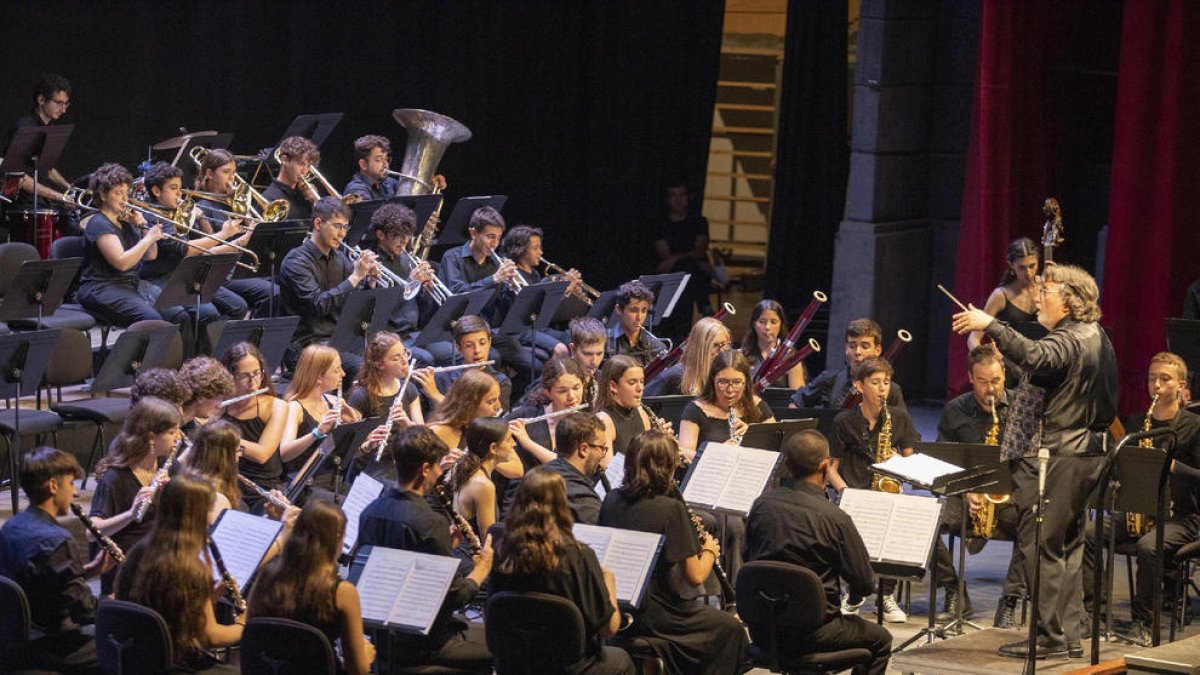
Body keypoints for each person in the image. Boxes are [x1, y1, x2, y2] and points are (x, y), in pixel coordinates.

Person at [952, 263, 1118, 659]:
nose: (1039, 297)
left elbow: (1039, 355)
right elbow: (1045, 372)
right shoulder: (1095, 335)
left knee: (1041, 545)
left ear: (1069, 302)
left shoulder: (1072, 338)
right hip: (1082, 452)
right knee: (1067, 547)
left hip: (1059, 454)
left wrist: (990, 323)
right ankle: (1067, 636)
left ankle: (1049, 638)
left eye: (1047, 291)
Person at [744, 430, 893, 675]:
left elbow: (748, 560)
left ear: (788, 465)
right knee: (881, 640)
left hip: (763, 629)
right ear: (825, 467)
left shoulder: (762, 506)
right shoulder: (835, 519)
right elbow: (864, 583)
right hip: (815, 633)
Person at [599, 430, 748, 674]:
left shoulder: (612, 499)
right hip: (657, 612)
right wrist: (710, 550)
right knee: (730, 629)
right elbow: (695, 576)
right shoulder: (670, 508)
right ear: (666, 467)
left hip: (619, 604)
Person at [354, 426, 495, 675]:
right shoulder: (429, 523)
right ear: (425, 469)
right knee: (498, 641)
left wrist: (445, 546)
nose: (441, 472)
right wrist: (482, 568)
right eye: (439, 466)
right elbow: (457, 597)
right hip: (424, 642)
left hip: (383, 637)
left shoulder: (370, 511)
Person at [1082, 352, 1200, 647]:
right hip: (1137, 509)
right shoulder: (1137, 424)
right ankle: (1094, 615)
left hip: (1181, 515)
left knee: (1149, 545)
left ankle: (1144, 623)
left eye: (1165, 379)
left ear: (1181, 384)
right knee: (1089, 534)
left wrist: (1174, 467)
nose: (1156, 385)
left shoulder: (1194, 426)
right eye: (1152, 378)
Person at [491, 466, 635, 675]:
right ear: (562, 505)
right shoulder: (579, 556)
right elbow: (609, 629)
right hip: (568, 667)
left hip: (514, 664)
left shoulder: (503, 551)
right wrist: (610, 586)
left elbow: (493, 611)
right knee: (621, 659)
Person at [113, 473, 243, 674]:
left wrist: (207, 598)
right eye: (210, 508)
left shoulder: (140, 551)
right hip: (172, 663)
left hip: (136, 656)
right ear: (198, 513)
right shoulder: (191, 565)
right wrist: (244, 623)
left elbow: (163, 607)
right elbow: (210, 637)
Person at [0, 447, 114, 673]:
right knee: (127, 641)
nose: (74, 493)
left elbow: (43, 583)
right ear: (53, 486)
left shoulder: (11, 526)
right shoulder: (58, 541)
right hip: (52, 644)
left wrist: (90, 570)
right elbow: (84, 611)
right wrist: (117, 601)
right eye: (71, 484)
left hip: (14, 636)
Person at [935, 346, 1022, 627]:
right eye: (983, 381)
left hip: (1009, 499)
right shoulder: (955, 410)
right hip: (967, 496)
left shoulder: (1022, 410)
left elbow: (1031, 465)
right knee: (927, 522)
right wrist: (966, 490)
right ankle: (954, 591)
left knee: (1035, 524)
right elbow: (941, 463)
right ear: (970, 378)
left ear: (1005, 374)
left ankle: (1009, 601)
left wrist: (1005, 494)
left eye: (995, 381)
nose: (990, 389)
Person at [828, 356, 919, 623]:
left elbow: (910, 458)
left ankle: (886, 596)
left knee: (900, 522)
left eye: (886, 383)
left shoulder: (899, 417)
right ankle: (855, 593)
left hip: (887, 491)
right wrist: (846, 494)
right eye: (875, 382)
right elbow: (831, 467)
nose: (882, 389)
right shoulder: (844, 421)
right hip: (854, 491)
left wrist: (897, 461)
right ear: (859, 386)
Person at [249, 498, 376, 675]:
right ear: (337, 538)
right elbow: (357, 669)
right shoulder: (343, 592)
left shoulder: (267, 575)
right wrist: (366, 655)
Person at [136, 161, 250, 341]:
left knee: (238, 306)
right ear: (157, 191)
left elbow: (206, 242)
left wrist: (202, 218)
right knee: (207, 313)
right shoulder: (154, 217)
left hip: (185, 274)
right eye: (173, 188)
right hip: (161, 278)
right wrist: (225, 233)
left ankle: (213, 353)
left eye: (180, 187)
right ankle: (194, 358)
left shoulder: (178, 212)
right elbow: (187, 250)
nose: (179, 193)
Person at [88, 396, 184, 594]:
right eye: (172, 432)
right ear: (151, 437)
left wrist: (172, 494)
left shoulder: (171, 467)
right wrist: (131, 514)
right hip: (129, 566)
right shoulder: (115, 478)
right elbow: (91, 533)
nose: (178, 438)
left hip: (161, 556)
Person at [279, 196, 376, 375]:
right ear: (317, 223)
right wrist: (355, 277)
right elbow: (319, 305)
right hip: (305, 345)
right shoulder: (296, 261)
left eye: (345, 227)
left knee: (380, 359)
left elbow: (354, 305)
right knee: (361, 368)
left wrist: (370, 282)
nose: (342, 234)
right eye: (337, 226)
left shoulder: (340, 259)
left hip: (336, 339)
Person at [75, 162, 168, 327]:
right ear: (103, 195)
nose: (125, 198)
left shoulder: (125, 222)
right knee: (153, 321)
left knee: (177, 313)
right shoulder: (98, 223)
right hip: (101, 288)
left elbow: (150, 255)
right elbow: (122, 263)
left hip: (127, 284)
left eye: (126, 193)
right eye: (118, 193)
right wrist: (148, 239)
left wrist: (144, 228)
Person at [191, 147, 279, 317]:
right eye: (226, 172)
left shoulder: (234, 201)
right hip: (223, 274)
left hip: (241, 269)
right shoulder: (202, 207)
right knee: (272, 293)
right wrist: (241, 242)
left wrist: (242, 205)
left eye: (234, 172)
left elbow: (255, 229)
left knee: (283, 285)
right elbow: (208, 253)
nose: (233, 178)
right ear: (209, 173)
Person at [220, 341, 288, 512]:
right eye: (244, 376)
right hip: (229, 484)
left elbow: (262, 454)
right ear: (229, 376)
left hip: (266, 488)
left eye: (257, 373)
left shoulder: (277, 406)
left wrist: (218, 434)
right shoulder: (218, 407)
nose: (253, 383)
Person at [365, 201, 436, 366]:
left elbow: (422, 310)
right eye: (398, 235)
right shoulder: (372, 264)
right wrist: (411, 283)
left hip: (413, 332)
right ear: (381, 235)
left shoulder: (408, 260)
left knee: (450, 351)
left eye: (408, 234)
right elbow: (377, 312)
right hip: (388, 336)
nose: (405, 241)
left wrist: (427, 290)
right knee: (426, 359)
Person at [279, 345, 360, 488]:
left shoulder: (332, 401)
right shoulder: (295, 407)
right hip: (305, 484)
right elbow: (285, 453)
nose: (343, 374)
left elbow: (343, 453)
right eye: (336, 370)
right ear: (318, 377)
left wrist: (354, 425)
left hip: (332, 479)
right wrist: (317, 432)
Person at [677, 350, 775, 462]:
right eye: (723, 382)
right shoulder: (696, 410)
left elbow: (774, 445)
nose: (730, 390)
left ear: (746, 382)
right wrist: (719, 452)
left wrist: (752, 435)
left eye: (737, 382)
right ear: (713, 380)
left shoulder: (757, 405)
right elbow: (684, 453)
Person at [792, 318, 907, 409]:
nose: (857, 352)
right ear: (846, 348)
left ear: (877, 351)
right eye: (852, 346)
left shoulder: (891, 390)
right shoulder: (829, 379)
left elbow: (905, 431)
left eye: (865, 346)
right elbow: (796, 402)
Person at [652, 181, 714, 341]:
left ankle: (679, 332)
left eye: (682, 195)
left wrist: (677, 257)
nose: (678, 200)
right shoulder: (661, 223)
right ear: (667, 199)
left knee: (687, 271)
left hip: (692, 268)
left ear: (688, 198)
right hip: (678, 272)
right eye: (674, 196)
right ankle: (704, 306)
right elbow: (663, 253)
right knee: (688, 270)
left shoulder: (699, 221)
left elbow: (700, 249)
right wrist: (684, 258)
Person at [1, 74, 74, 207]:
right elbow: (18, 177)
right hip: (23, 205)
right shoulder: (24, 129)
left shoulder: (50, 128)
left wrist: (70, 188)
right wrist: (60, 197)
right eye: (59, 103)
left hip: (41, 201)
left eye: (66, 104)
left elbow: (47, 169)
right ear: (41, 100)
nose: (63, 110)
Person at [414, 315, 513, 410]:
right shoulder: (442, 379)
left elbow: (485, 423)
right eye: (469, 345)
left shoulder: (500, 382)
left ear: (489, 342)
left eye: (482, 343)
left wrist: (436, 395)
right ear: (459, 348)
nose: (477, 350)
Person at [447, 417, 515, 555]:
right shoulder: (483, 485)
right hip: (469, 557)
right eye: (509, 440)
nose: (513, 444)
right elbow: (487, 539)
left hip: (461, 551)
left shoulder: (465, 466)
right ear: (493, 448)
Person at [966, 237, 1041, 351]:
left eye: (1032, 266)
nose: (1028, 273)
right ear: (1011, 265)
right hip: (1011, 363)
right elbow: (974, 338)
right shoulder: (1000, 295)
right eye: (1022, 267)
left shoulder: (1048, 287)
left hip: (1043, 361)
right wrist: (982, 363)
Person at [595, 355, 673, 464]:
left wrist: (660, 443)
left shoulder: (642, 412)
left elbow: (650, 463)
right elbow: (607, 473)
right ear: (613, 386)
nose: (640, 388)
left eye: (641, 381)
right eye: (632, 383)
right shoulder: (604, 421)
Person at [544, 411, 610, 526]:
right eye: (602, 448)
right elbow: (601, 532)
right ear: (583, 449)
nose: (603, 454)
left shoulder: (544, 472)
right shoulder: (580, 497)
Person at [646, 317, 730, 397]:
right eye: (715, 345)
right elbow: (644, 401)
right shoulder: (676, 375)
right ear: (700, 348)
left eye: (724, 344)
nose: (721, 351)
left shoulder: (724, 374)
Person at [740, 299, 807, 389]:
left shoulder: (790, 358)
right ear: (753, 324)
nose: (768, 327)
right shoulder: (741, 356)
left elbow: (797, 398)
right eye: (762, 321)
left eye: (773, 322)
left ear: (781, 324)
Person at [606, 280, 668, 367]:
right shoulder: (603, 342)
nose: (639, 317)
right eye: (634, 310)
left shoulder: (657, 348)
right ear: (619, 309)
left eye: (644, 311)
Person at [263, 135, 319, 220]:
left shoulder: (305, 195)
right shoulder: (270, 198)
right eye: (301, 164)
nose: (305, 171)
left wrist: (315, 201)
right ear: (284, 159)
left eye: (308, 166)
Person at [178, 355, 236, 437]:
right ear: (201, 396)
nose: (219, 406)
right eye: (218, 398)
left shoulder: (192, 431)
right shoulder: (164, 420)